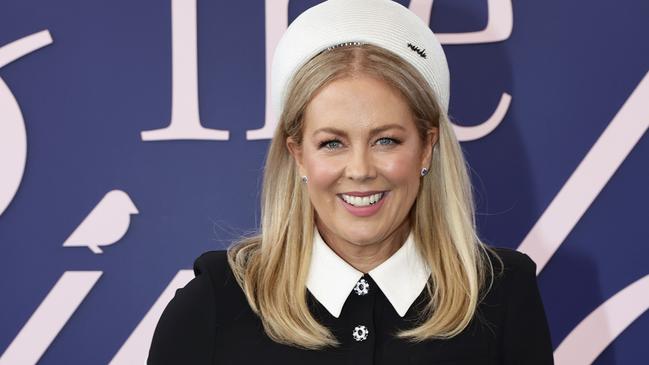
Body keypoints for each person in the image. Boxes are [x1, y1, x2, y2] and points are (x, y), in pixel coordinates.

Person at [147, 0, 554, 364]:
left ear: (427, 148)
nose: (359, 169)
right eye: (332, 143)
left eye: (386, 140)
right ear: (298, 154)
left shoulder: (501, 296)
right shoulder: (215, 302)